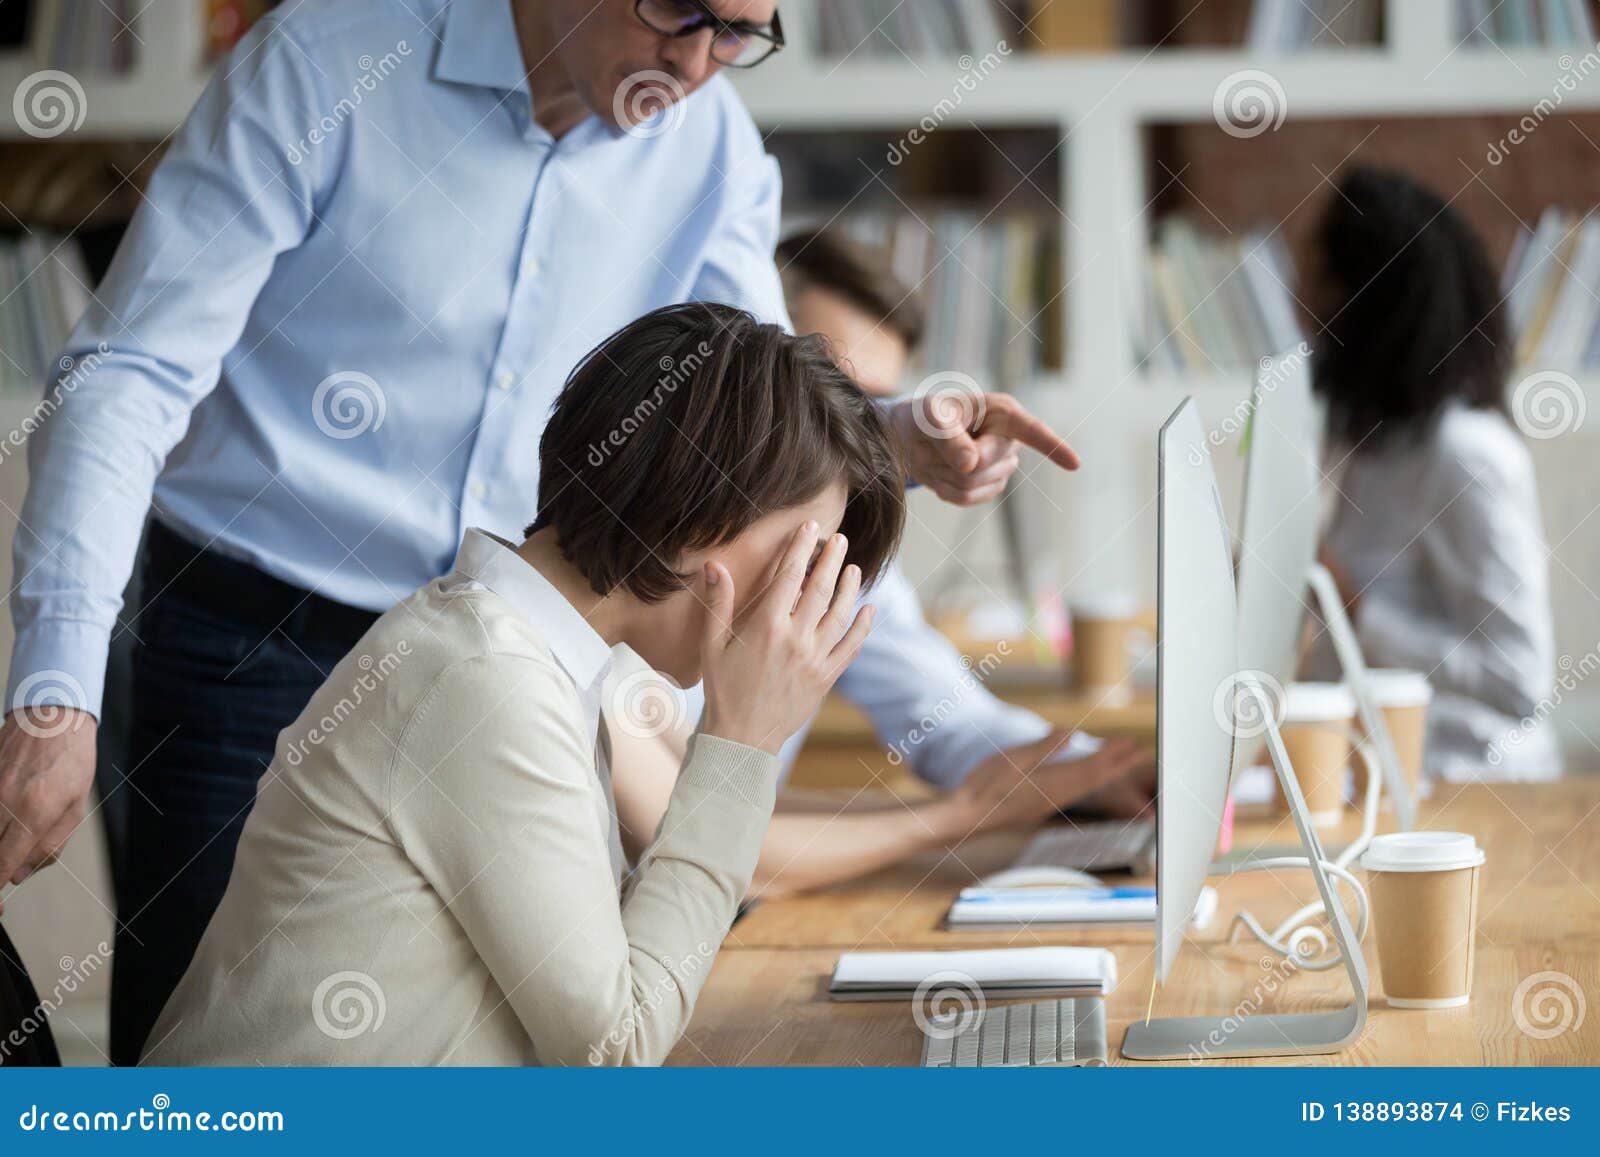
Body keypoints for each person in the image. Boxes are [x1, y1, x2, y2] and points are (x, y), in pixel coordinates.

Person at [0, 1, 1086, 1064]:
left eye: (739, 33)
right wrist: (56, 688)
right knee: (238, 1016)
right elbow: (131, 373)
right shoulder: (331, 58)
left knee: (470, 1014)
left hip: (528, 623)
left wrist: (895, 438)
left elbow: (755, 420)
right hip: (255, 618)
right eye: (679, 16)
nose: (702, 63)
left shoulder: (704, 146)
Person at [142, 303, 912, 1065]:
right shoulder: (487, 678)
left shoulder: (540, 657)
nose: (800, 598)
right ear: (700, 508)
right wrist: (741, 741)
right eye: (797, 559)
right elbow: (618, 1045)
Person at [608, 228, 1152, 899]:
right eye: (837, 396)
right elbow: (695, 843)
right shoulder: (643, 589)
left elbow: (938, 716)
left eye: (874, 405)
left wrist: (1082, 772)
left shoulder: (835, 563)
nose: (856, 438)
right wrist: (961, 815)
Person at [1302, 166, 1561, 781]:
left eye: (1328, 288)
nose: (1310, 309)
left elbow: (1520, 682)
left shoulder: (1466, 454)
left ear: (1373, 309)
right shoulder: (1380, 448)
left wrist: (1356, 610)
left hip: (1475, 782)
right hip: (1380, 771)